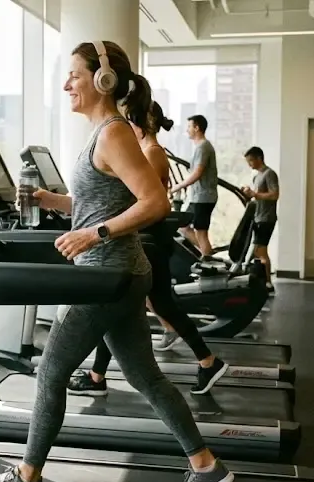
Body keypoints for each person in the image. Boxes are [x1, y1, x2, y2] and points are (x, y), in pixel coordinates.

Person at [0, 40, 233, 482]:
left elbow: (155, 202)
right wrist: (54, 202)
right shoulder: (104, 134)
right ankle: (205, 465)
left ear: (103, 79)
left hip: (105, 277)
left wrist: (94, 234)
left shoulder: (113, 133)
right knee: (145, 376)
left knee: (51, 372)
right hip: (124, 274)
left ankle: (27, 478)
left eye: (74, 74)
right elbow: (106, 200)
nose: (66, 84)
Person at [67, 101, 228, 397]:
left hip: (149, 240)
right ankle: (99, 375)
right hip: (147, 239)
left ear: (137, 123)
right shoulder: (148, 151)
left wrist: (99, 225)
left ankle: (207, 361)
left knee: (145, 305)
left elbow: (138, 202)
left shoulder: (152, 153)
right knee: (138, 306)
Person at [171, 114, 218, 258]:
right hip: (198, 197)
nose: (187, 130)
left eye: (189, 127)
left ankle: (208, 258)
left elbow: (197, 173)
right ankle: (205, 254)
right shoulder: (200, 147)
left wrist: (178, 186)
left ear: (197, 128)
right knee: (184, 227)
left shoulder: (203, 147)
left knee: (201, 233)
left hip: (203, 197)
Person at [241, 146, 279, 294]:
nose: (249, 164)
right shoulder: (257, 177)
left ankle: (268, 283)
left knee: (261, 251)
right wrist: (249, 194)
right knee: (257, 251)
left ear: (259, 158)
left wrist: (255, 194)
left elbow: (274, 195)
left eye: (251, 160)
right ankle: (262, 281)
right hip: (258, 217)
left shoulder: (269, 174)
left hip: (266, 218)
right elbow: (256, 196)